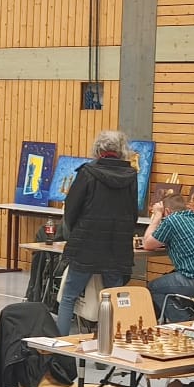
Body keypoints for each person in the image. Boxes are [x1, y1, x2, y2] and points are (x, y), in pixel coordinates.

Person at [55, 130, 138, 336]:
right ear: (122, 150)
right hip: (117, 247)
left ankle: (59, 349)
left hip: (86, 244)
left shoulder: (87, 173)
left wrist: (74, 232)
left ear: (98, 149)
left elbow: (71, 209)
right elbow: (133, 214)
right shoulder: (131, 176)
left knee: (69, 297)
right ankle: (109, 347)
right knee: (113, 300)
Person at [142, 190, 194, 322]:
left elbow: (147, 244)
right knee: (169, 278)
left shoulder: (172, 220)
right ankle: (190, 316)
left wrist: (157, 216)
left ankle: (184, 322)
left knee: (154, 287)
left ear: (167, 211)